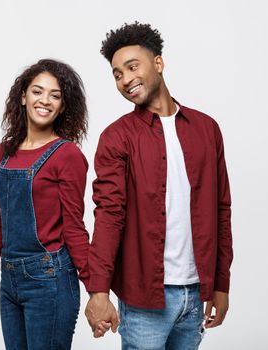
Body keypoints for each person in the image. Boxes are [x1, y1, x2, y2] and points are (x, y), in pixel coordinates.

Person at [84, 22, 234, 349]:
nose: (125, 79)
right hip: (143, 298)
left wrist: (220, 284)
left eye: (132, 67)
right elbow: (109, 214)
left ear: (158, 64)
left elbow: (222, 209)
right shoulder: (116, 137)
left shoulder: (207, 129)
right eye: (117, 74)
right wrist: (99, 291)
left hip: (196, 292)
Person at [0, 58, 90, 350]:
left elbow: (75, 229)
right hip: (9, 280)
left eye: (55, 95)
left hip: (50, 280)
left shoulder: (67, 155)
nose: (45, 101)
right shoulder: (4, 151)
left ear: (63, 106)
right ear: (23, 96)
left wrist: (97, 291)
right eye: (38, 91)